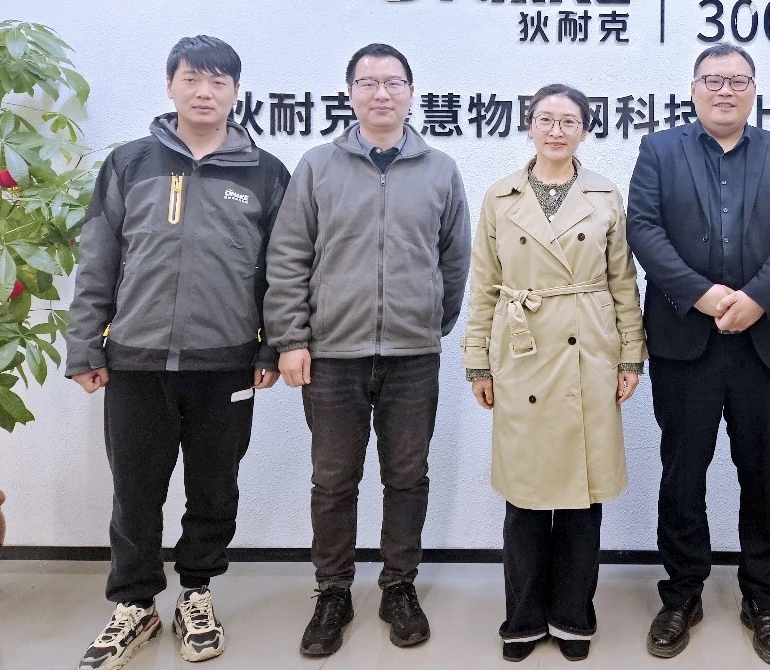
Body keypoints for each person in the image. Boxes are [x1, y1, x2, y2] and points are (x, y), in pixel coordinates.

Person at [66, 36, 290, 670]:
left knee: (214, 488)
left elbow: (282, 271)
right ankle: (135, 604)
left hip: (227, 362)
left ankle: (197, 593)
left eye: (218, 82)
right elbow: (98, 259)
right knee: (135, 489)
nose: (204, 92)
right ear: (170, 86)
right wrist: (85, 344)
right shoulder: (130, 163)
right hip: (135, 359)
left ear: (236, 92)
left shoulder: (266, 172)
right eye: (192, 79)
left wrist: (272, 347)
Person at [265, 43, 471, 657]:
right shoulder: (317, 166)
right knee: (333, 479)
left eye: (393, 82)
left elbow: (455, 259)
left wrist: (430, 322)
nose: (381, 93)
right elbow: (288, 256)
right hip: (332, 355)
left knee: (407, 476)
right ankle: (333, 591)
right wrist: (292, 338)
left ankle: (398, 586)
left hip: (413, 355)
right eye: (368, 82)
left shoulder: (440, 170)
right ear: (350, 93)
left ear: (411, 93)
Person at [627, 43, 770, 666]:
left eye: (737, 80)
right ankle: (682, 594)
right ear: (693, 89)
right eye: (713, 80)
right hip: (687, 341)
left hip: (765, 343)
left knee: (764, 474)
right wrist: (703, 295)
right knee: (683, 473)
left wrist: (758, 298)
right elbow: (644, 228)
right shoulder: (659, 150)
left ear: (754, 89)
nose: (725, 90)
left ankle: (763, 599)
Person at [462, 83, 647, 663]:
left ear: (585, 129)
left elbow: (623, 282)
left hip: (588, 350)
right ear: (529, 125)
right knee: (524, 497)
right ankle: (521, 618)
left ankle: (572, 614)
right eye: (545, 119)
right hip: (521, 354)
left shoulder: (604, 194)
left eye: (569, 120)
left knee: (580, 497)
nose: (556, 130)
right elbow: (483, 285)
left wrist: (630, 355)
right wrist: (477, 360)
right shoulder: (500, 196)